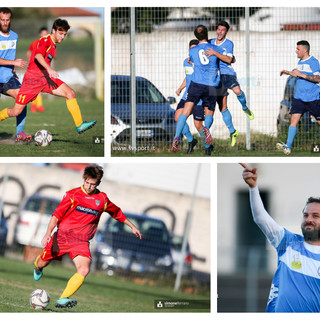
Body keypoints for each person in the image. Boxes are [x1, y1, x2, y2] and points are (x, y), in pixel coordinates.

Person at [33, 164, 142, 309]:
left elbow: (116, 212)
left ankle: (63, 298)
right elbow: (56, 216)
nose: (90, 187)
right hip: (62, 238)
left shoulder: (102, 199)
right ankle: (37, 267)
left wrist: (132, 226)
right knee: (42, 263)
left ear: (98, 183)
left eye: (93, 184)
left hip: (81, 242)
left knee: (84, 270)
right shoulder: (72, 195)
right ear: (84, 179)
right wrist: (48, 234)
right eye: (87, 183)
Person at [240, 162, 320, 312]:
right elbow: (261, 219)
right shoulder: (288, 242)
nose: (309, 219)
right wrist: (253, 188)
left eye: (316, 216)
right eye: (306, 215)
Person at [0, 18, 96, 135]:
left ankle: (79, 125)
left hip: (45, 79)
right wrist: (49, 69)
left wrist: (47, 72)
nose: (62, 37)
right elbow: (38, 56)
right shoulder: (45, 40)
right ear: (53, 31)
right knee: (15, 111)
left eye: (64, 34)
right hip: (32, 80)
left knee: (70, 93)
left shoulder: (54, 45)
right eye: (60, 34)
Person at [171, 25, 219, 153]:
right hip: (204, 87)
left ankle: (180, 138)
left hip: (197, 87)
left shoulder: (193, 53)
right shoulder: (214, 49)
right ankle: (199, 135)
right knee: (182, 116)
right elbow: (188, 77)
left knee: (191, 119)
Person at [278, 40, 320, 155]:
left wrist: (301, 74)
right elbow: (298, 74)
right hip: (299, 98)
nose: (296, 51)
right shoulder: (300, 61)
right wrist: (288, 72)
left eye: (298, 49)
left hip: (313, 98)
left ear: (305, 50)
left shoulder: (313, 62)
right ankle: (288, 146)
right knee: (293, 121)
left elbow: (318, 78)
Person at [206, 20, 254, 121]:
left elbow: (229, 59)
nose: (220, 32)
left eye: (222, 30)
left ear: (226, 33)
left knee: (237, 91)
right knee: (222, 106)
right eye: (218, 29)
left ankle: (245, 108)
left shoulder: (228, 44)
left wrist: (215, 53)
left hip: (227, 73)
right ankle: (231, 131)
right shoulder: (209, 42)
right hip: (214, 75)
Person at [0, 7, 32, 141]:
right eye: (2, 20)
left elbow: (8, 55)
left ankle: (20, 132)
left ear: (10, 20)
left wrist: (13, 70)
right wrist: (14, 62)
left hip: (6, 78)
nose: (5, 23)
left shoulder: (15, 36)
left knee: (22, 98)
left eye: (7, 20)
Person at [26, 27, 48, 113]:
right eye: (43, 33)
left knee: (39, 87)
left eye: (46, 33)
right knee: (35, 87)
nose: (45, 35)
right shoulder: (35, 43)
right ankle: (35, 106)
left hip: (43, 68)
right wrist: (29, 61)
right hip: (35, 68)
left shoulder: (49, 44)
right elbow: (29, 51)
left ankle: (37, 105)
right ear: (40, 34)